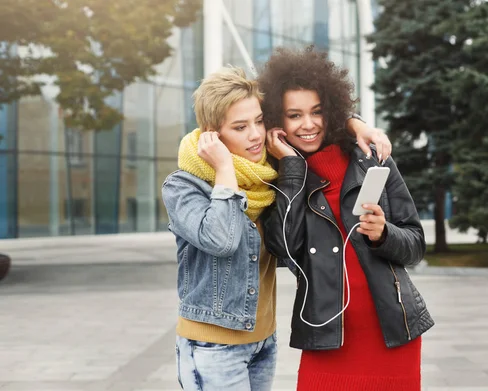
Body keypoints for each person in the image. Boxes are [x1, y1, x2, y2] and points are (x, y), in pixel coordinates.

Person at [162, 66, 394, 391]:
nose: (256, 134)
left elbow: (309, 113)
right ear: (212, 134)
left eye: (258, 121)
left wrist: (357, 123)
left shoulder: (264, 173)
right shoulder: (185, 187)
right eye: (240, 127)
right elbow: (222, 239)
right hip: (213, 348)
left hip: (262, 343)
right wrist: (225, 169)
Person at [259, 46, 434, 391]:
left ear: (333, 111)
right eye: (294, 115)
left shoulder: (371, 158)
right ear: (277, 122)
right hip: (327, 337)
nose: (308, 125)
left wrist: (384, 234)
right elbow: (284, 248)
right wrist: (292, 169)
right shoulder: (277, 174)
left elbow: (415, 245)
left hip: (392, 334)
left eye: (317, 112)